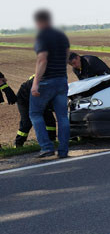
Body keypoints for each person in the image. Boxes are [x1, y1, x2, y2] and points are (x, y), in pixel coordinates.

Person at [30, 9, 71, 159]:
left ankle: (46, 147)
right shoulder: (61, 35)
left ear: (39, 22)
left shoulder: (42, 36)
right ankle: (63, 150)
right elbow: (67, 54)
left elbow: (42, 59)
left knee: (35, 113)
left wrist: (35, 83)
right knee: (62, 116)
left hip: (46, 81)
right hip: (62, 79)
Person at [14, 75, 57, 147]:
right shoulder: (39, 81)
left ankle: (52, 140)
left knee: (50, 120)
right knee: (26, 122)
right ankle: (18, 144)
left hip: (40, 98)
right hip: (24, 100)